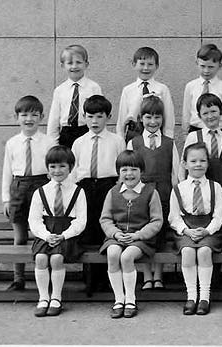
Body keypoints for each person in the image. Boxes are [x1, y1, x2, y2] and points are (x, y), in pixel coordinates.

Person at [99, 150, 163, 319]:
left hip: (141, 239)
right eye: (124, 170)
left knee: (127, 257)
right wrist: (115, 234)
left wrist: (138, 235)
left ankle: (131, 299)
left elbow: (156, 221)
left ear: (141, 171)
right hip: (117, 237)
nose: (129, 174)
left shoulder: (150, 192)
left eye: (134, 169)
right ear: (118, 172)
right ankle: (118, 299)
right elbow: (105, 219)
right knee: (113, 254)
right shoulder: (113, 192)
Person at [72, 95, 125, 295]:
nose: (95, 121)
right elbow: (74, 169)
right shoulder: (78, 142)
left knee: (106, 231)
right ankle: (89, 280)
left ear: (108, 117)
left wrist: (118, 188)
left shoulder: (117, 141)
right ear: (84, 117)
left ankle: (106, 280)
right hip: (85, 188)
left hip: (107, 186)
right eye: (90, 116)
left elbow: (122, 168)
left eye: (100, 116)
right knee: (88, 231)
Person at [127, 95, 180, 290]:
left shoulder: (169, 143)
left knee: (160, 233)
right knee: (143, 231)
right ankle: (146, 275)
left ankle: (158, 275)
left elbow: (176, 173)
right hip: (142, 193)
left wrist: (175, 195)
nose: (153, 122)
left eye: (157, 117)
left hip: (164, 192)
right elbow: (129, 171)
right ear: (141, 118)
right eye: (148, 117)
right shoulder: (135, 143)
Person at [2, 95, 55, 291]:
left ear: (41, 117)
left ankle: (45, 276)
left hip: (41, 186)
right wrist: (6, 199)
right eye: (24, 114)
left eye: (34, 114)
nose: (29, 118)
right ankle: (18, 278)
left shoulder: (48, 142)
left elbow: (53, 170)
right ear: (17, 117)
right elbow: (7, 171)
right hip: (19, 188)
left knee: (43, 234)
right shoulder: (12, 143)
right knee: (20, 236)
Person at [28, 145, 86, 317]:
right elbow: (34, 220)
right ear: (47, 169)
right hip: (46, 234)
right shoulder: (40, 192)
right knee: (40, 258)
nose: (57, 170)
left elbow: (81, 221)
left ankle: (56, 297)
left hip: (68, 234)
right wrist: (46, 236)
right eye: (53, 166)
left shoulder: (78, 191)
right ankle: (43, 297)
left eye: (62, 166)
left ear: (70, 168)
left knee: (57, 258)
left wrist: (63, 235)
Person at [170, 143, 222, 316]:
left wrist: (207, 231)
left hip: (209, 229)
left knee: (204, 252)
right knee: (187, 252)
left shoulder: (215, 187)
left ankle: (204, 297)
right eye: (193, 161)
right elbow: (174, 217)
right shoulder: (179, 188)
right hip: (187, 229)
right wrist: (186, 231)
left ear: (208, 163)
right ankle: (191, 296)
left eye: (202, 160)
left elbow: (219, 216)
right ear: (185, 164)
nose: (198, 164)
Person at [47, 44, 102, 147]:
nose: (74, 66)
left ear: (86, 64)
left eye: (79, 62)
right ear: (63, 66)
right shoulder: (59, 90)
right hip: (66, 134)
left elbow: (101, 113)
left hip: (86, 131)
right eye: (70, 63)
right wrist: (52, 144)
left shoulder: (94, 88)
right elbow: (54, 119)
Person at [117, 46, 175, 141]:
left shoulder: (162, 89)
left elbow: (168, 117)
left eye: (150, 64)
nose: (146, 68)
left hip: (156, 131)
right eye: (142, 64)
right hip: (134, 133)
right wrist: (121, 140)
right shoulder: (127, 90)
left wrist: (168, 139)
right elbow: (122, 119)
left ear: (157, 66)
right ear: (134, 64)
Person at [182, 93, 222, 189]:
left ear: (221, 111)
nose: (210, 116)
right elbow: (183, 163)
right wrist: (183, 185)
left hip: (221, 184)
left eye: (213, 111)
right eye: (205, 113)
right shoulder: (193, 136)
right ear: (199, 115)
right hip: (198, 185)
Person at [182, 43, 222, 134]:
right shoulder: (190, 86)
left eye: (211, 67)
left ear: (220, 66)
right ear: (197, 63)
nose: (206, 71)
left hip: (218, 130)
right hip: (195, 129)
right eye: (202, 66)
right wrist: (185, 132)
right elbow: (186, 112)